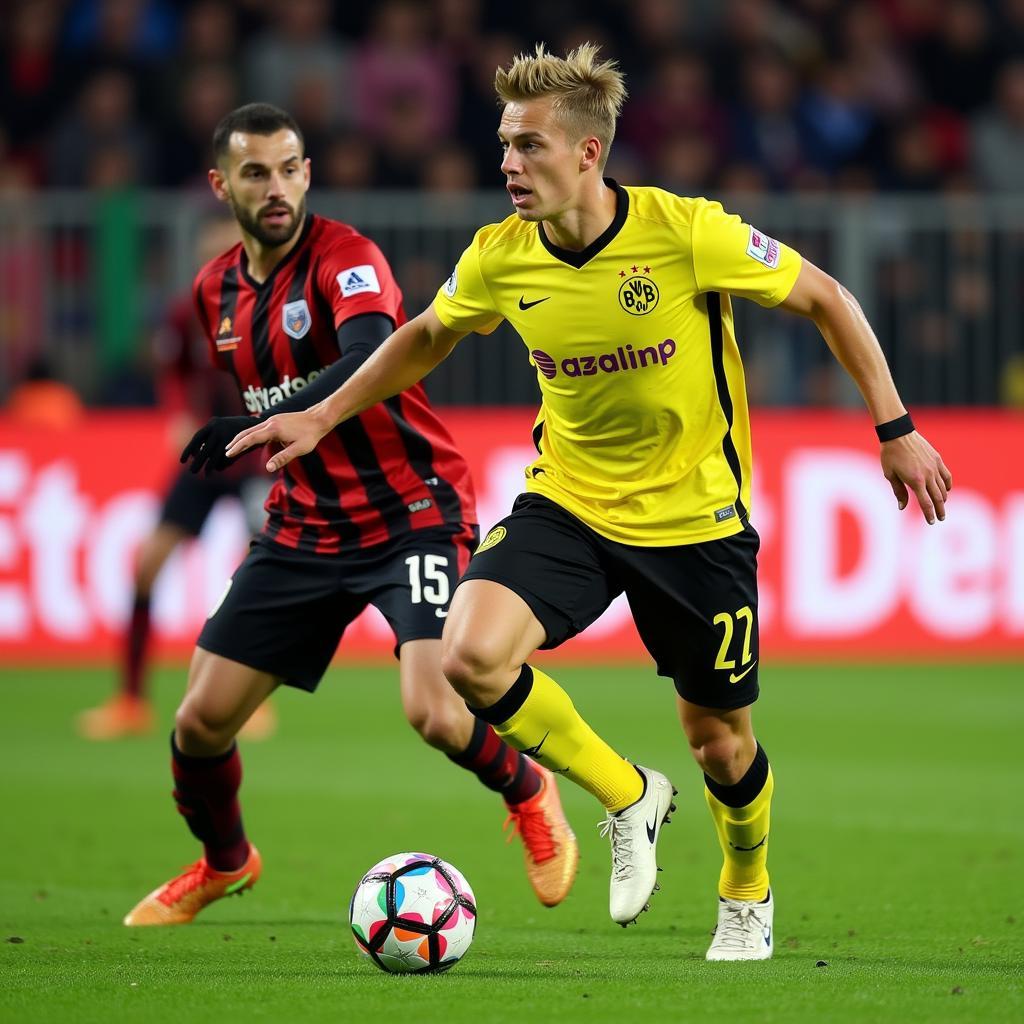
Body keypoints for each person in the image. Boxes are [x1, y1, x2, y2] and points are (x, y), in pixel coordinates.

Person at [226, 47, 953, 961]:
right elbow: (424, 336)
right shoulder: (500, 254)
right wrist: (323, 412)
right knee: (470, 657)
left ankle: (745, 886)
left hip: (696, 520)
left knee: (723, 747)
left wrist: (895, 426)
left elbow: (828, 298)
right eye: (502, 145)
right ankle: (624, 795)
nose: (507, 165)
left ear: (588, 154)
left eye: (528, 146)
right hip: (568, 501)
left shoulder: (688, 232)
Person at [123, 103, 578, 927]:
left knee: (435, 711)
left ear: (308, 173)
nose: (276, 187)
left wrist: (263, 422)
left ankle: (529, 786)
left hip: (411, 509)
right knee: (199, 722)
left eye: (290, 167)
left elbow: (373, 349)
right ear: (221, 184)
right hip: (305, 525)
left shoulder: (347, 258)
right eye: (256, 172)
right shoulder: (213, 289)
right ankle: (226, 862)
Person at [77, 216, 276, 742]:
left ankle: (248, 701)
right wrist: (178, 417)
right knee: (147, 564)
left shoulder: (276, 310)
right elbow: (176, 373)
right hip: (207, 456)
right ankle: (130, 699)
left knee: (257, 575)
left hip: (256, 456)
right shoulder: (187, 310)